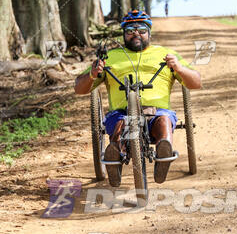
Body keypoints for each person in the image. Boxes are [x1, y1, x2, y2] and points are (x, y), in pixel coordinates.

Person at [75, 10, 201, 186]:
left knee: (163, 121)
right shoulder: (109, 57)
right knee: (121, 124)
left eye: (141, 30)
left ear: (149, 32)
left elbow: (196, 83)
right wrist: (92, 74)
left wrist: (179, 68)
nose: (136, 34)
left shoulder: (165, 54)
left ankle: (164, 154)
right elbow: (79, 89)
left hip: (157, 113)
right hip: (121, 114)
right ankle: (115, 156)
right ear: (123, 34)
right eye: (130, 31)